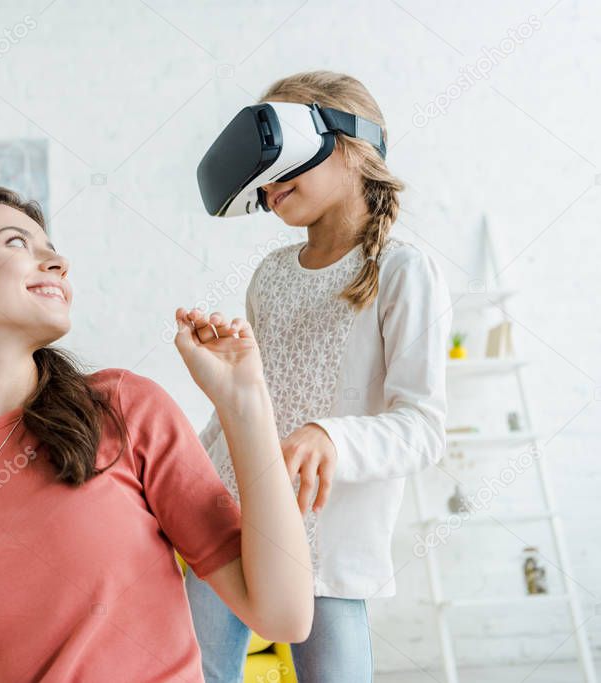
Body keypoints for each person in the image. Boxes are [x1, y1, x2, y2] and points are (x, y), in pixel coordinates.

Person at [0, 186, 313, 682]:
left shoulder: (121, 408)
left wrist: (244, 404)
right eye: (16, 242)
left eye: (51, 248)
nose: (57, 261)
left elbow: (283, 614)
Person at [185, 70, 452, 683]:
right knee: (199, 673)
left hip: (321, 545)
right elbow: (242, 407)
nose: (271, 183)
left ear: (350, 146)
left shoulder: (402, 271)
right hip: (227, 519)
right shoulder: (270, 273)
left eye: (286, 161)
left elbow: (423, 428)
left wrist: (330, 436)